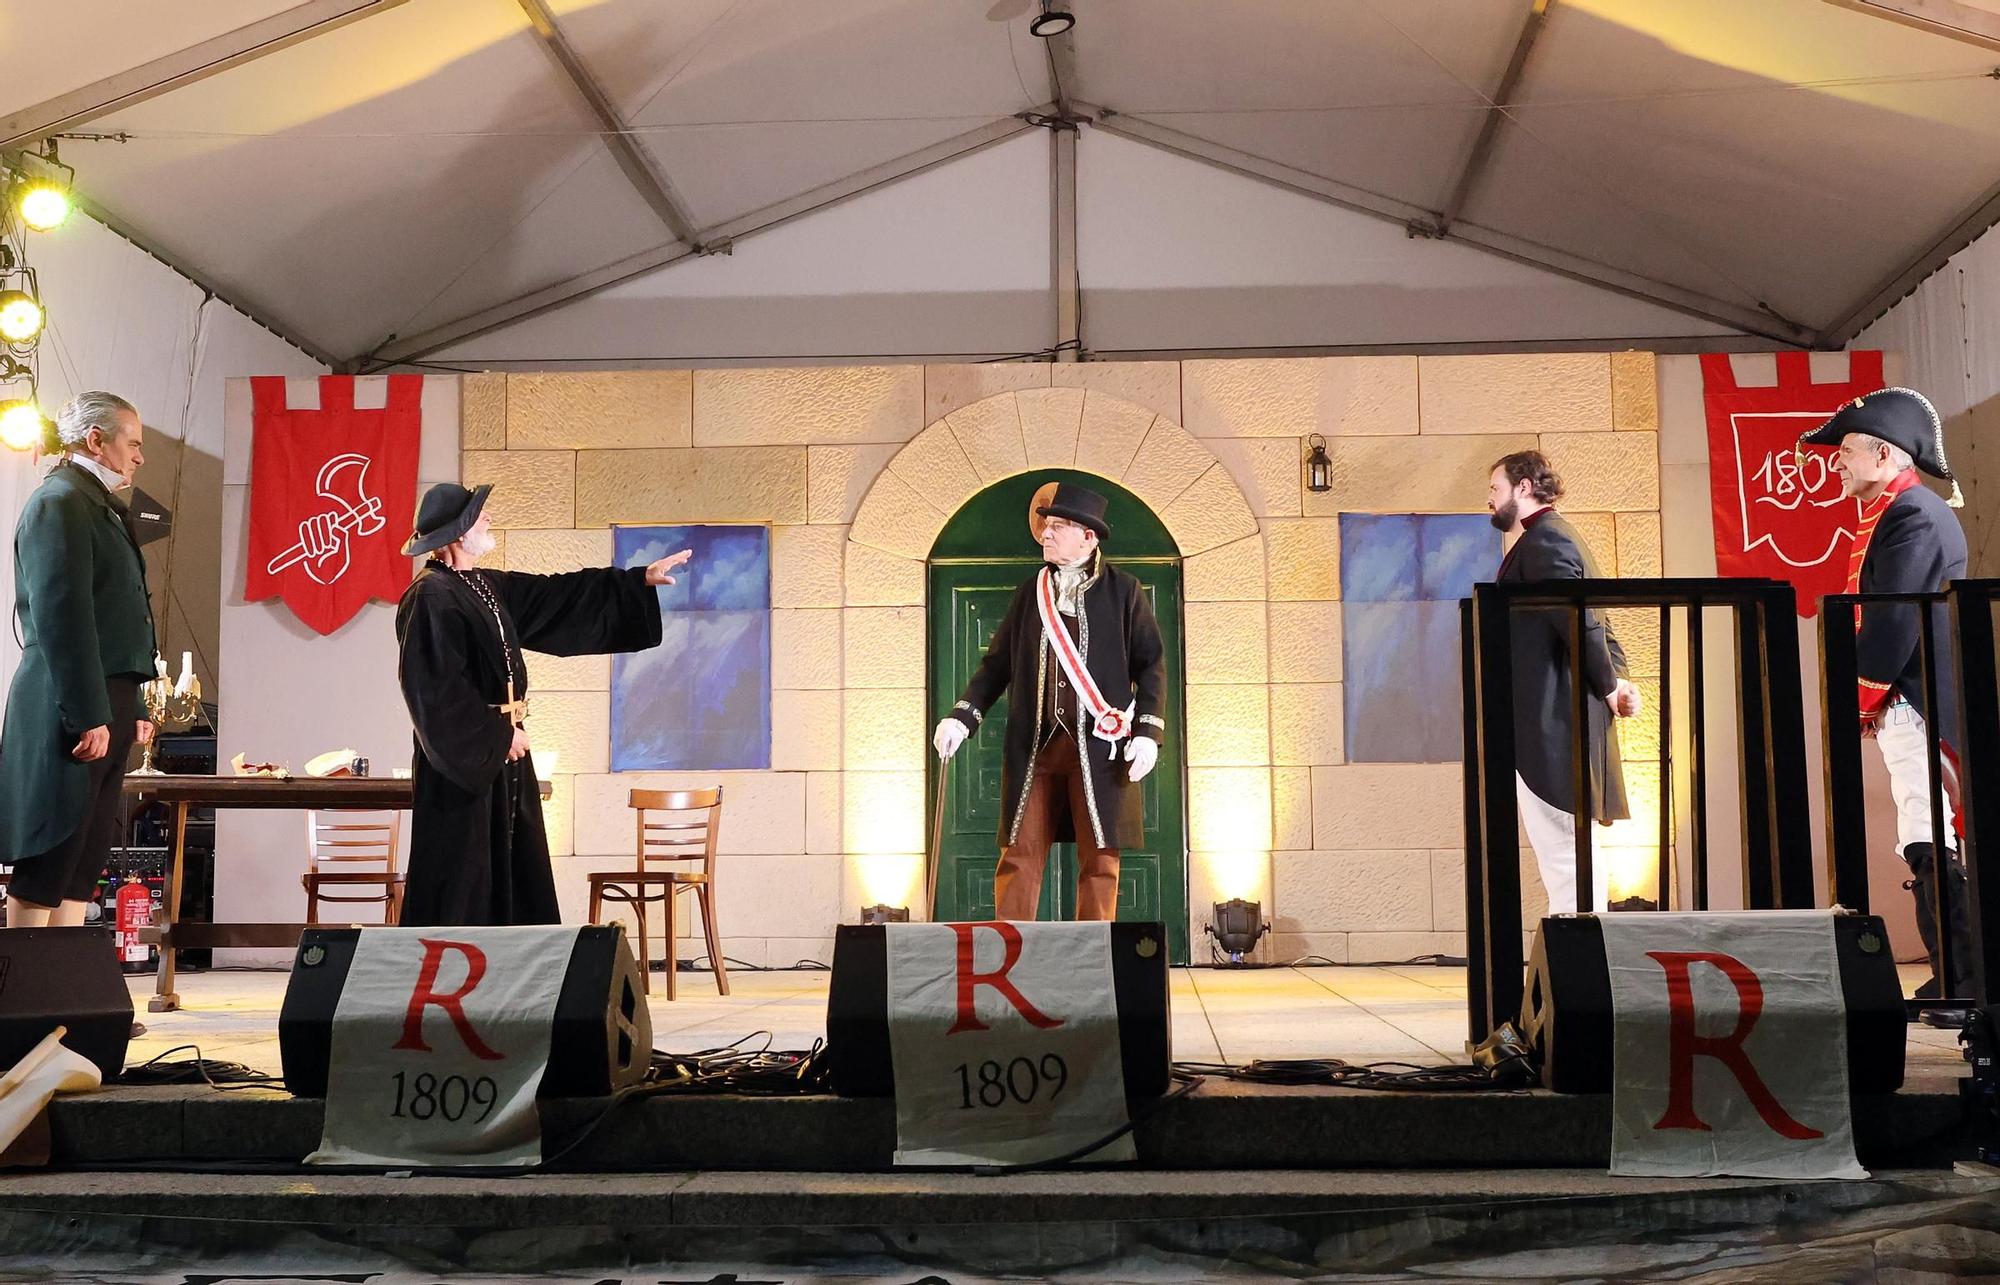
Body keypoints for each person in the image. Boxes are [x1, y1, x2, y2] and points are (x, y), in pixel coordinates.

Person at [395, 482, 690, 926]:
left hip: (503, 757)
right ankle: (457, 974)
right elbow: (433, 692)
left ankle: (514, 970)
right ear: (458, 534)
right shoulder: (431, 596)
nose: (488, 520)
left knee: (513, 866)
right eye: (480, 516)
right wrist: (496, 736)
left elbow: (556, 597)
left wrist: (635, 581)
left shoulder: (481, 585)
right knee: (465, 874)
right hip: (468, 765)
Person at [1799, 387, 1970, 998]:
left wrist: (1858, 700)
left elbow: (1894, 623)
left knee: (1930, 831)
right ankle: (1954, 971)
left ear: (1886, 455)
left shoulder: (1915, 514)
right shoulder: (1892, 514)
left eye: (1847, 451)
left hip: (1920, 700)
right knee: (1922, 829)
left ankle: (1963, 975)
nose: (1837, 462)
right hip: (1905, 702)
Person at [932, 482, 1167, 922]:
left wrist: (1149, 734)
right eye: (1047, 524)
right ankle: (1009, 958)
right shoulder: (1030, 594)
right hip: (1035, 747)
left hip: (1099, 749)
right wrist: (962, 718)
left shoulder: (1124, 592)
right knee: (1019, 854)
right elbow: (996, 664)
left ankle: (1092, 960)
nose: (1047, 533)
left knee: (1100, 858)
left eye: (1060, 525)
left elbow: (1151, 664)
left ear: (1089, 536)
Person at [0, 392, 157, 929]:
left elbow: (119, 616)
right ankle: (24, 1002)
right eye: (131, 443)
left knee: (83, 859)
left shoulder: (97, 505)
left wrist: (131, 699)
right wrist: (89, 710)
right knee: (52, 850)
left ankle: (65, 1000)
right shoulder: (60, 502)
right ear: (95, 439)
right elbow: (62, 617)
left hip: (103, 695)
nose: (138, 457)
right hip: (67, 700)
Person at [1486, 450, 1642, 914]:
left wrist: (1612, 686)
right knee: (1568, 851)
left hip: (1552, 723)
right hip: (1559, 718)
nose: (1489, 500)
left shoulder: (1544, 542)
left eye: (1495, 489)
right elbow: (1596, 619)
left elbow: (1578, 621)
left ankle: (1580, 954)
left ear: (1524, 488)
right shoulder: (1557, 536)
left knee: (1564, 852)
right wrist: (1617, 680)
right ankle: (1580, 946)